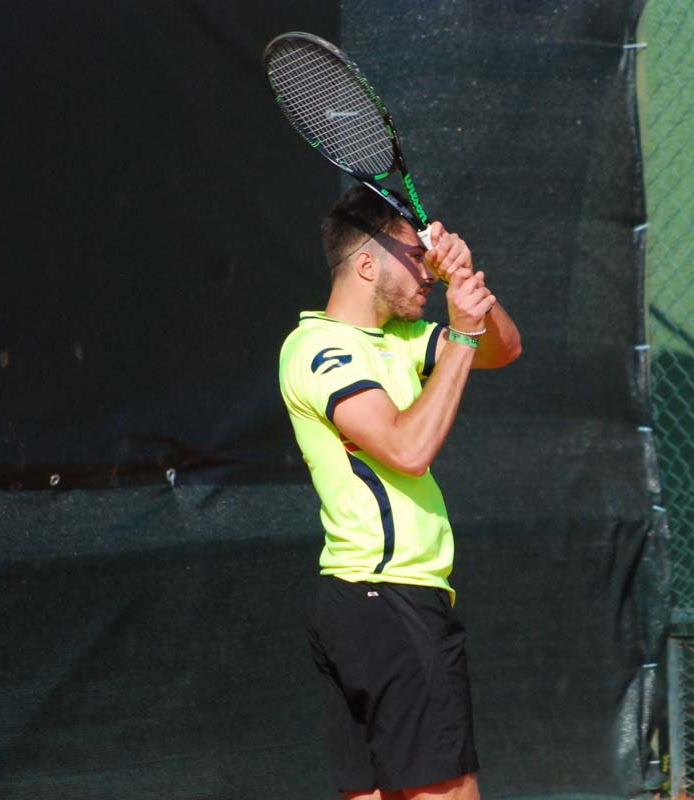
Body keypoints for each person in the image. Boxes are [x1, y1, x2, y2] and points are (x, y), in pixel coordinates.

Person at [278, 185, 521, 800]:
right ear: (366, 264)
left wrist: (464, 282)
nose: (427, 272)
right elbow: (407, 450)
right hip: (388, 602)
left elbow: (505, 348)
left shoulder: (401, 339)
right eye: (416, 256)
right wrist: (461, 336)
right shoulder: (319, 349)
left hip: (367, 604)